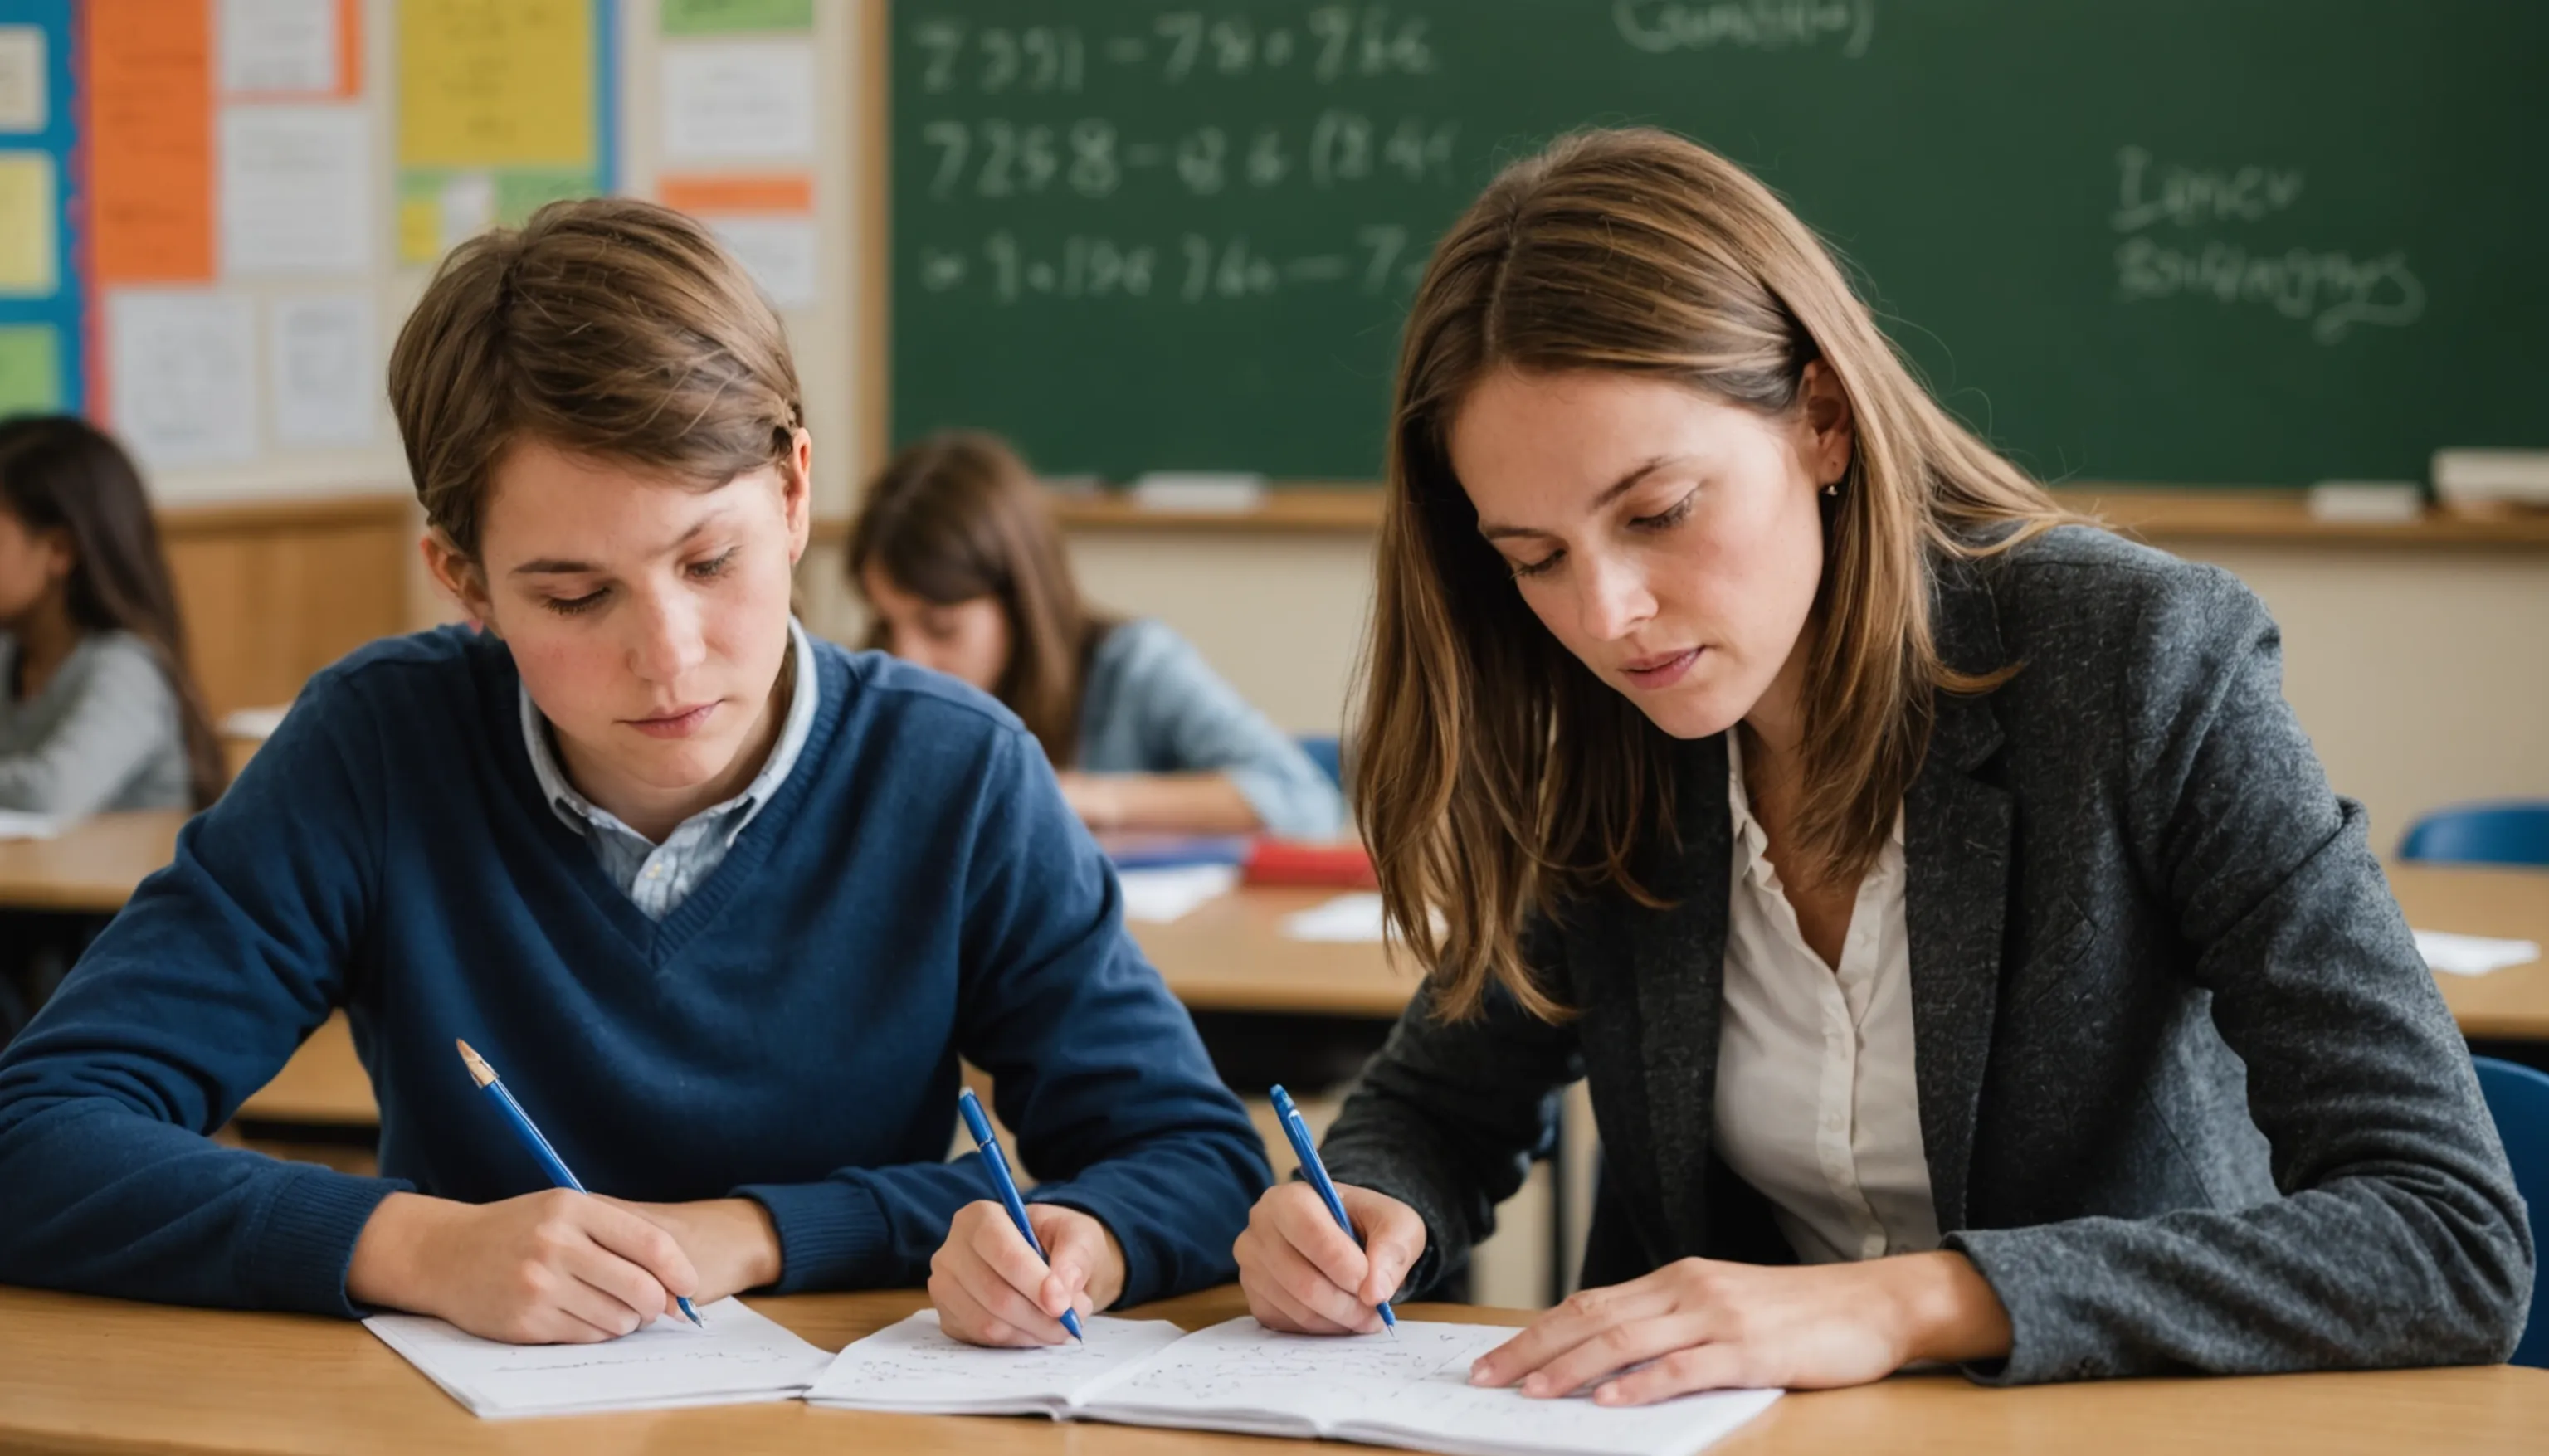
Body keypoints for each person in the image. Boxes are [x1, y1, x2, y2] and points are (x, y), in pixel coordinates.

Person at [1231, 129, 2529, 1397]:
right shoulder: (1605, 727)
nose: (1605, 612)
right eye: (1534, 557)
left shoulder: (2137, 662)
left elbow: (2445, 1231)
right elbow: (1441, 1103)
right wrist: (1362, 1206)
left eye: (1658, 512)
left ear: (1823, 420)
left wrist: (1899, 1300)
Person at [0, 199, 1268, 1348]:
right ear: (466, 581)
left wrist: (805, 1231)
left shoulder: (956, 769)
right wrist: (419, 1242)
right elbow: (36, 1131)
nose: (667, 657)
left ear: (793, 490)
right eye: (573, 592)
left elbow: (1195, 1158)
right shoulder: (376, 749)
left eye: (710, 561)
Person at [849, 431, 1346, 840]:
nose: (906, 657)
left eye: (941, 627)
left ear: (1020, 603)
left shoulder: (1134, 665)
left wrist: (1094, 798)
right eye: (886, 623)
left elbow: (1304, 801)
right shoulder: (875, 688)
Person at [0, 415, 221, 817]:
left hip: (133, 881)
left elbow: (48, 796)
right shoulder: (9, 655)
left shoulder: (126, 668)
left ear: (59, 551)